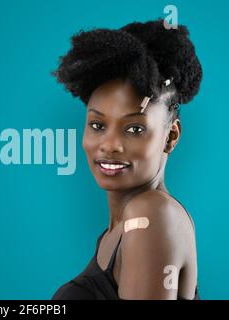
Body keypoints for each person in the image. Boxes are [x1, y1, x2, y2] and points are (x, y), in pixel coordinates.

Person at [51, 18, 202, 300]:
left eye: (135, 129)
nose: (109, 145)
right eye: (97, 125)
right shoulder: (118, 232)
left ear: (170, 136)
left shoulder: (152, 215)